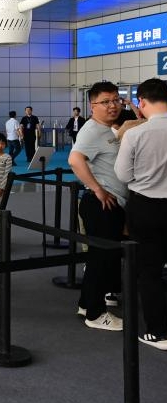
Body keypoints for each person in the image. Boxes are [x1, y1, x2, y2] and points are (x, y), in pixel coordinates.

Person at [68, 81, 127, 332]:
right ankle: (95, 314)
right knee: (101, 260)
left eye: (116, 100)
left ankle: (86, 304)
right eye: (105, 102)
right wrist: (97, 189)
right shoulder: (92, 130)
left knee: (99, 259)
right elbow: (74, 160)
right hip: (101, 204)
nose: (113, 105)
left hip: (109, 203)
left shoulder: (107, 129)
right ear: (92, 105)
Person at [114, 78, 167, 350]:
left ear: (142, 102)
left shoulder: (136, 134)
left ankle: (158, 332)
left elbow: (123, 174)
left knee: (150, 270)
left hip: (145, 206)